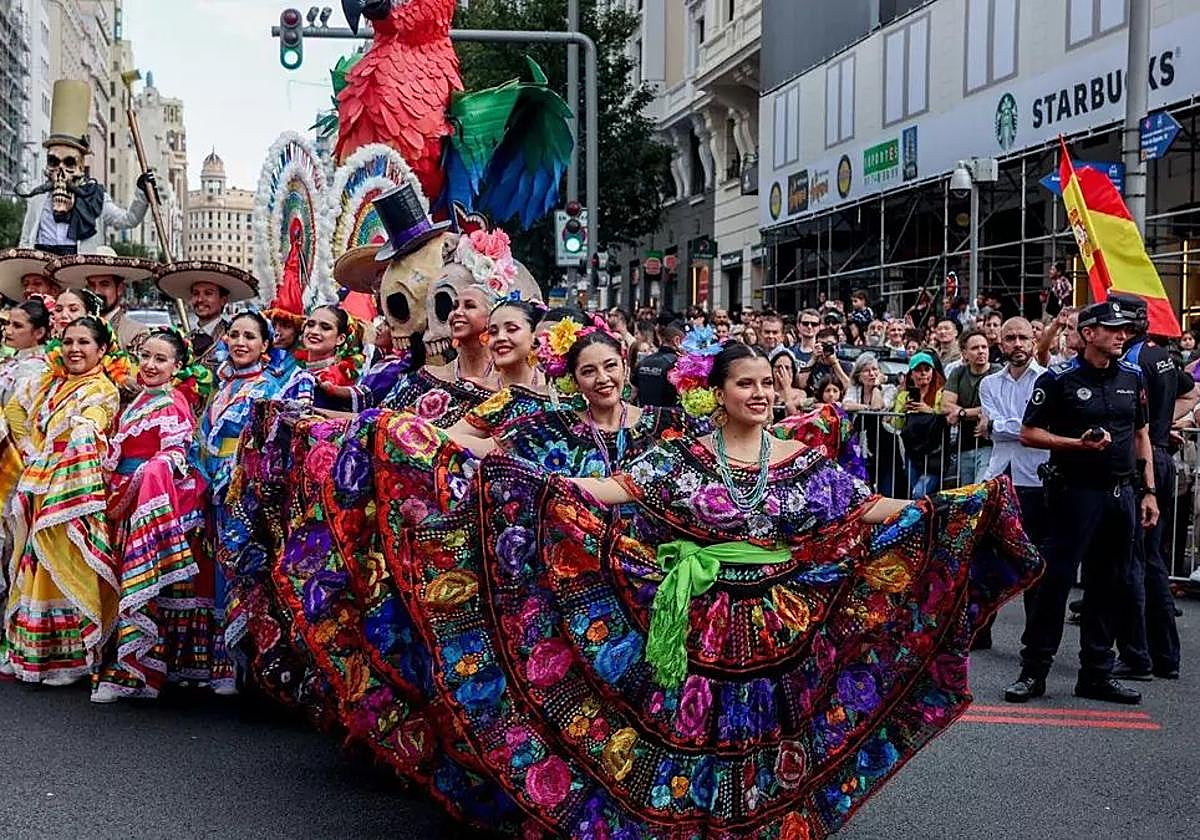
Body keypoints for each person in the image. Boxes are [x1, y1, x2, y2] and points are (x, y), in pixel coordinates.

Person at [1004, 298, 1157, 705]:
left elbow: (1141, 435)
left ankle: (1097, 674)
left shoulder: (1134, 376)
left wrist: (1150, 492)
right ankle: (1033, 672)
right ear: (1089, 334)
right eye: (1113, 329)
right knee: (1055, 584)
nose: (1122, 335)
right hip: (1075, 495)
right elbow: (1029, 433)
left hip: (1121, 495)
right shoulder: (1058, 379)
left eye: (1126, 330)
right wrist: (1077, 444)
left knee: (1109, 585)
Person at [91, 327, 213, 702]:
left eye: (161, 359)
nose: (150, 364)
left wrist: (149, 472)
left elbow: (176, 454)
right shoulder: (140, 400)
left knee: (142, 589)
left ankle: (137, 673)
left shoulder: (172, 402)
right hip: (126, 503)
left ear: (177, 366)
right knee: (127, 587)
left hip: (146, 503)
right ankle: (132, 668)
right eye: (145, 356)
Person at [0, 316, 123, 684]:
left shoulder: (102, 390)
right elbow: (15, 409)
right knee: (33, 563)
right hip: (41, 482)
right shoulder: (50, 384)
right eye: (68, 342)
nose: (74, 350)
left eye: (84, 343)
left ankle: (71, 659)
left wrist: (82, 434)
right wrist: (28, 447)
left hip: (74, 488)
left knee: (66, 563)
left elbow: (93, 422)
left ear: (101, 350)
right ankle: (32, 651)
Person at [191, 310, 293, 695]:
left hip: (244, 489)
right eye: (234, 334)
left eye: (250, 336)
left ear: (266, 345)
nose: (240, 342)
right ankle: (219, 664)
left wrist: (239, 474)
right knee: (215, 569)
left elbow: (269, 445)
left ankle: (246, 666)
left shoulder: (270, 389)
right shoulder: (221, 387)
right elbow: (203, 438)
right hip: (214, 487)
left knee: (242, 570)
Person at [1114, 296, 1195, 681]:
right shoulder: (1161, 353)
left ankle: (1138, 655)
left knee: (1135, 562)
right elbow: (1189, 390)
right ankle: (1164, 656)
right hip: (1158, 455)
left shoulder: (1132, 361)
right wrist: (1166, 425)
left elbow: (1134, 421)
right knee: (1152, 561)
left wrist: (1157, 429)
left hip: (1140, 463)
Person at [975, 317, 1050, 650]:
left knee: (1035, 562)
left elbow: (1031, 430)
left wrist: (998, 427)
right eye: (1010, 338)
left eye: (1022, 337)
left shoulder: (1048, 380)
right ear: (1000, 343)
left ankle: (1034, 638)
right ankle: (981, 629)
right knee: (987, 558)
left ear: (1033, 340)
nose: (1017, 344)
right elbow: (1017, 429)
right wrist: (1015, 428)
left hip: (1035, 480)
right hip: (998, 478)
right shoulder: (989, 383)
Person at [46, 245, 156, 352]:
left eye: (104, 285)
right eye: (91, 285)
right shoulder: (71, 325)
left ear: (120, 289)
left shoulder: (135, 332)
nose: (96, 291)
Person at [156, 262, 258, 369]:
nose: (200, 299)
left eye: (208, 293)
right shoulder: (184, 340)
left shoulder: (233, 338)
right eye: (196, 294)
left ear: (223, 300)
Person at [943, 328, 1000, 485]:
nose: (981, 352)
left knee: (980, 489)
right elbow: (946, 406)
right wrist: (976, 412)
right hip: (965, 445)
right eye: (975, 348)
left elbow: (996, 407)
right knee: (967, 495)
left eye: (984, 347)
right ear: (964, 353)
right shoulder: (958, 373)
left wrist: (961, 413)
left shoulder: (998, 373)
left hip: (990, 444)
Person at [891, 350, 947, 498]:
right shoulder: (904, 396)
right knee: (916, 496)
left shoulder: (941, 393)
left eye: (927, 369)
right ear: (911, 374)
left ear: (933, 372)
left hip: (934, 453)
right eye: (918, 370)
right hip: (913, 453)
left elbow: (945, 417)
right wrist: (903, 409)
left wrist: (929, 410)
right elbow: (896, 424)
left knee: (919, 493)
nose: (923, 374)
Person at [632, 322, 682, 408]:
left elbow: (632, 393)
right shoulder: (678, 364)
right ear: (676, 341)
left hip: (644, 416)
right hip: (667, 417)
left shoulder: (644, 361)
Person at [769, 347, 807, 418]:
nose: (782, 370)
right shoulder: (767, 391)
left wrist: (786, 387)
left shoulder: (800, 394)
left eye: (787, 367)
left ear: (792, 371)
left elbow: (793, 417)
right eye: (778, 367)